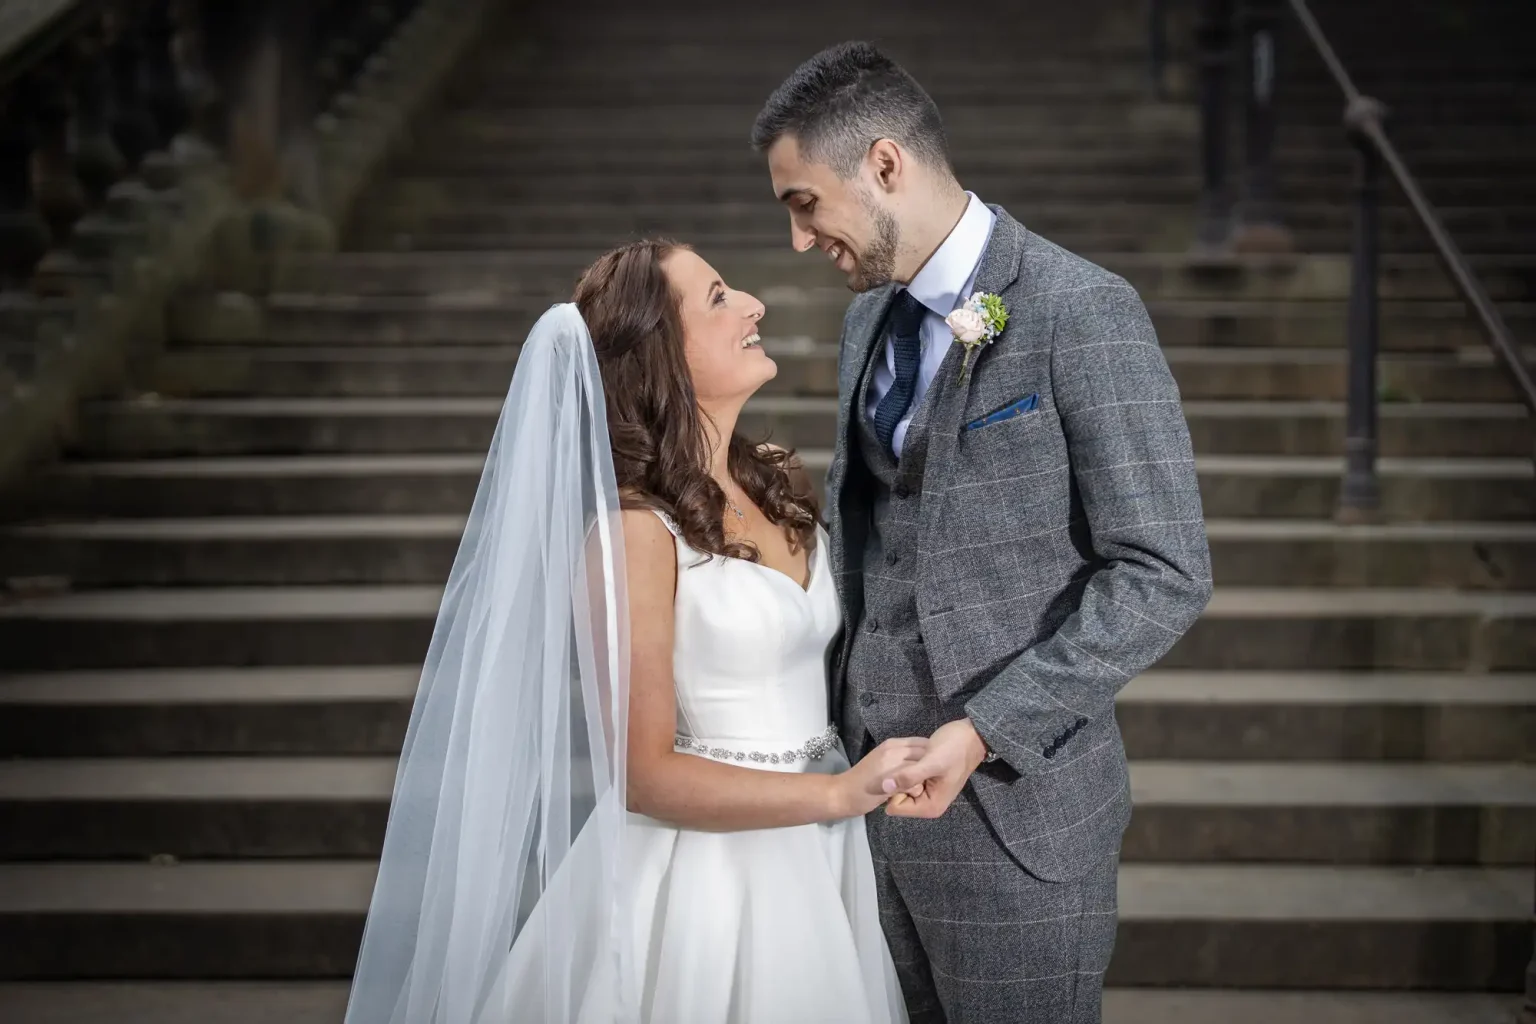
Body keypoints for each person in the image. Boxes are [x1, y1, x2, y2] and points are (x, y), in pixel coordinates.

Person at [752, 42, 1215, 1023]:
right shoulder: (864, 318)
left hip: (1016, 815)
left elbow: (1165, 571)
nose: (799, 241)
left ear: (886, 165)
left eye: (804, 204)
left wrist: (983, 730)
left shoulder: (1079, 310)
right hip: (866, 806)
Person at [343, 240, 917, 1024]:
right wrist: (837, 793)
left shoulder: (775, 477)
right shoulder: (633, 535)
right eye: (718, 298)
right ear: (660, 359)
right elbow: (642, 773)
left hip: (821, 851)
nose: (753, 305)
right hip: (710, 875)